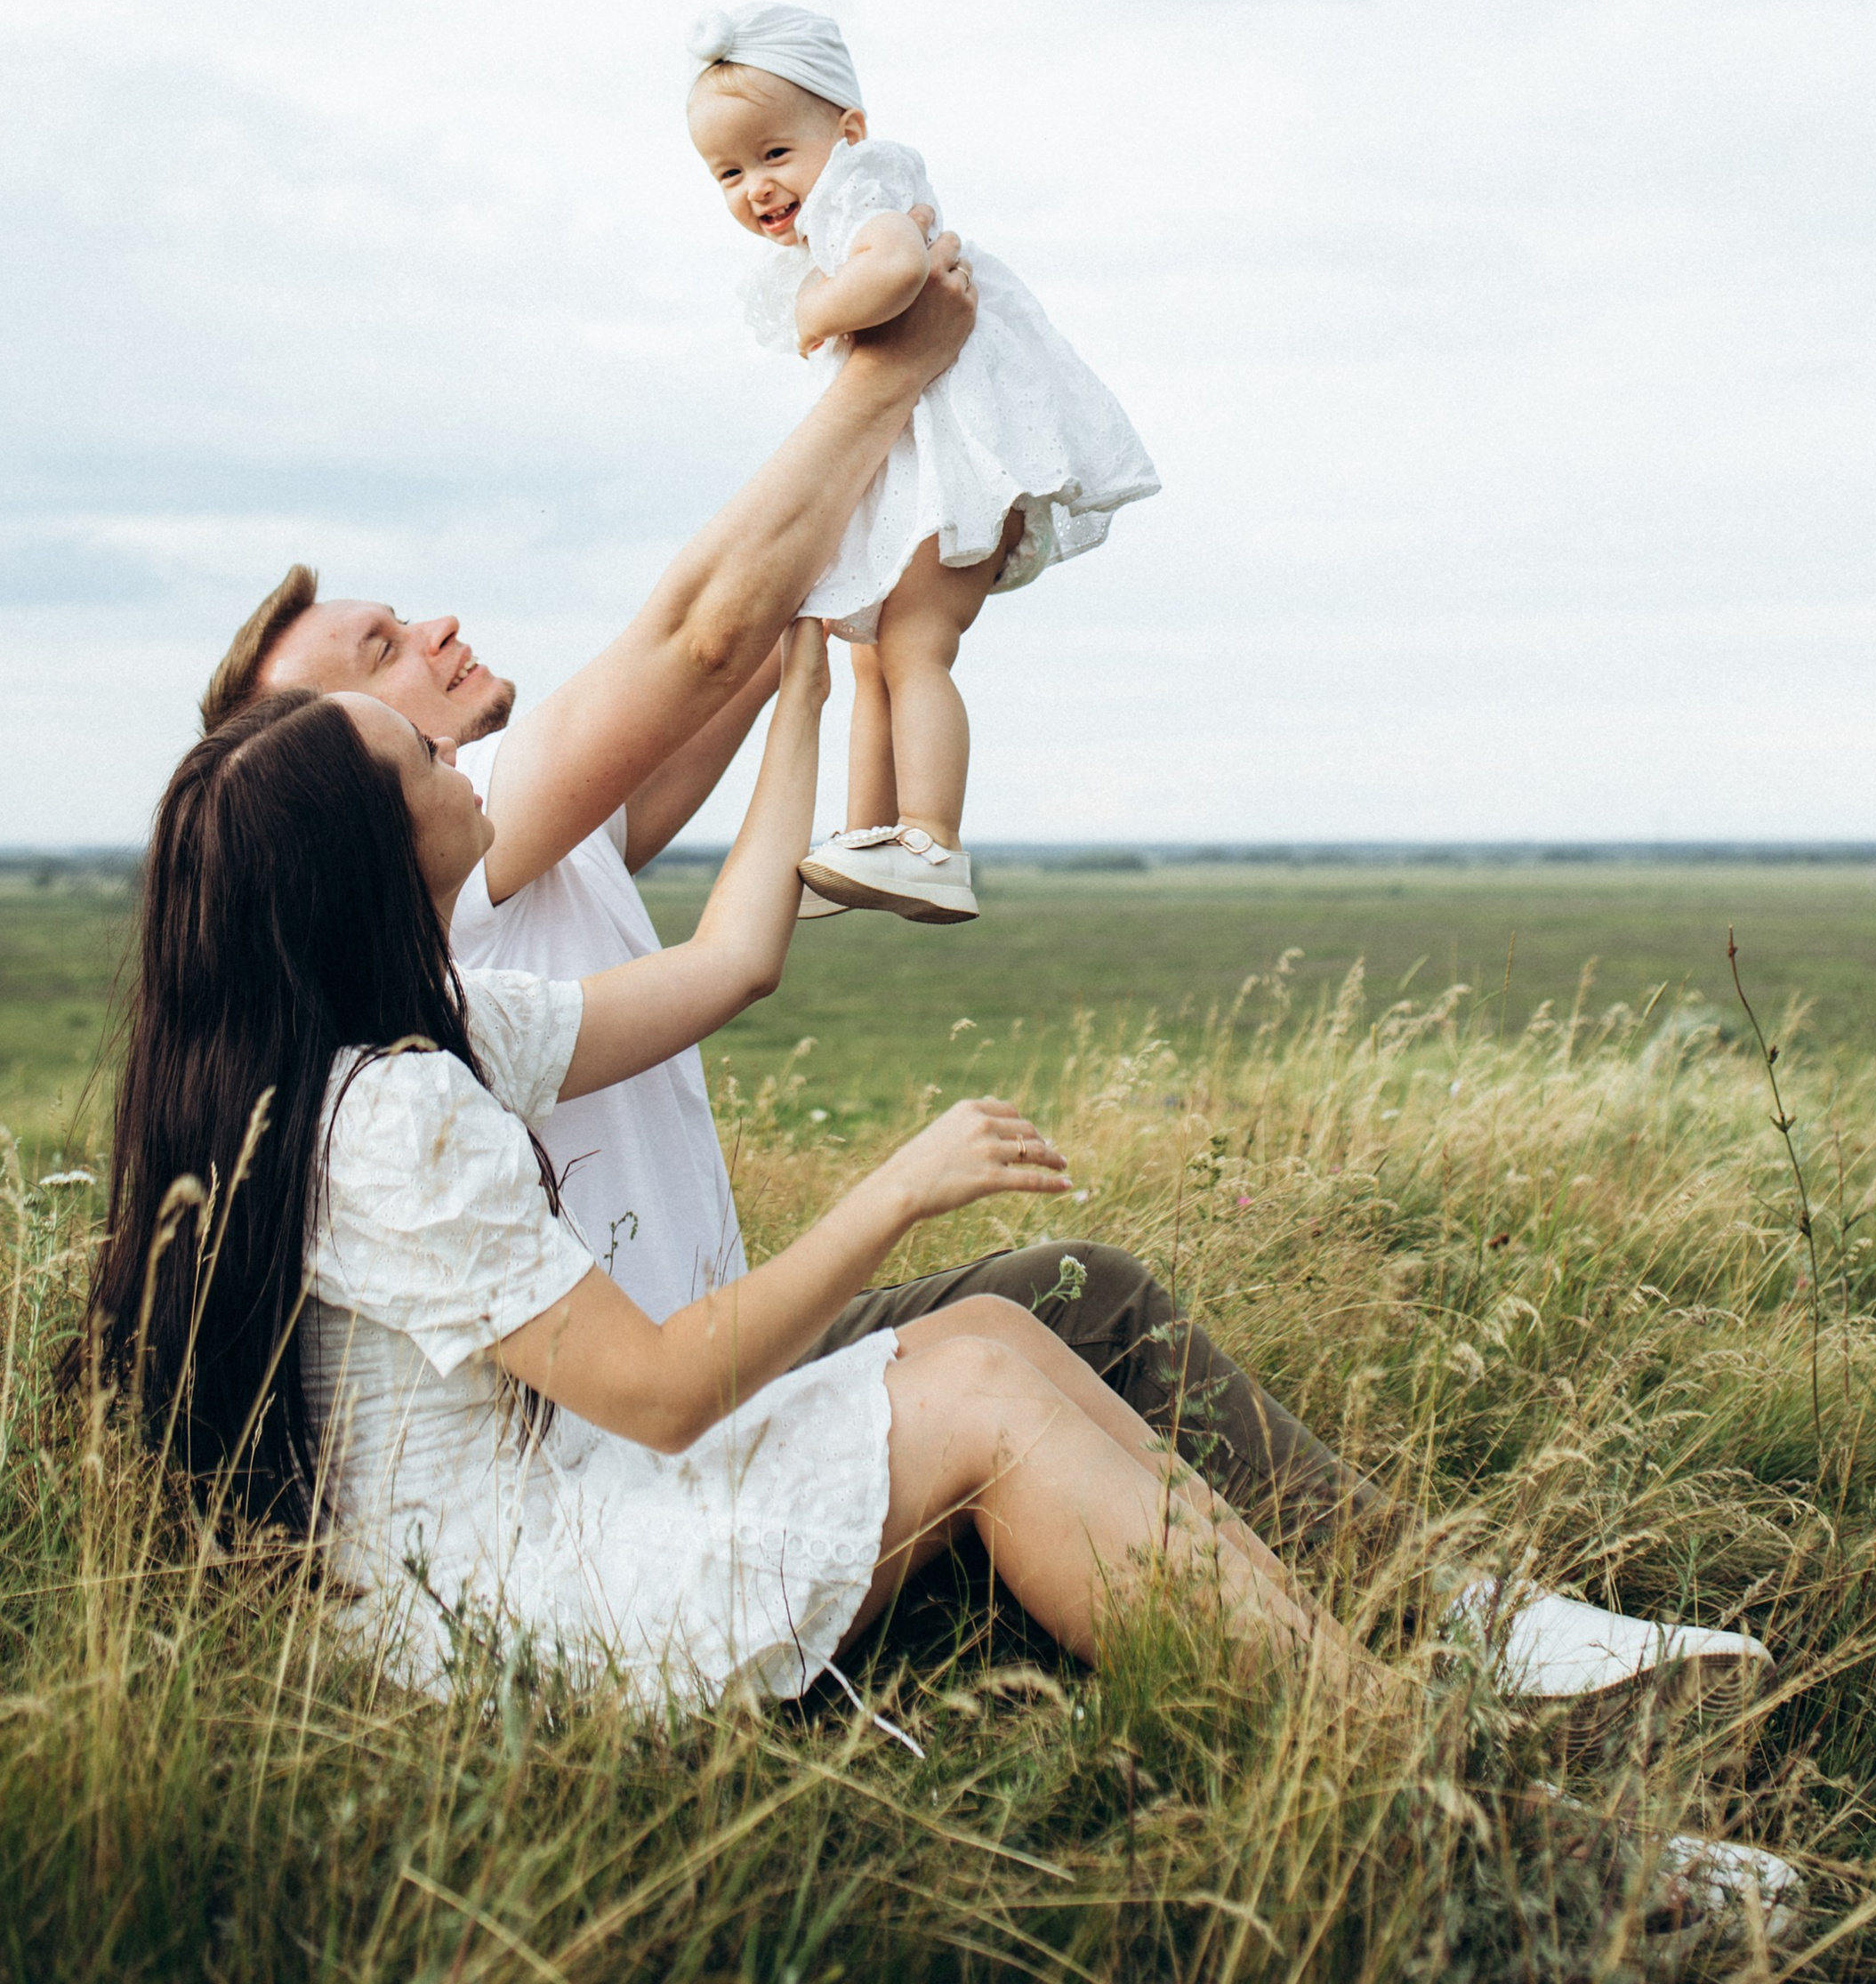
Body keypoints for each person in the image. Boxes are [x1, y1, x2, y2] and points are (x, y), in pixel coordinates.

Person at [91, 625, 1394, 1714]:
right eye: (424, 757)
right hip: (528, 1615)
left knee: (991, 1330)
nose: (455, 755)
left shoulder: (432, 1032)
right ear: (371, 855)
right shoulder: (391, 1119)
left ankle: (1348, 1674)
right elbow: (660, 1394)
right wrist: (892, 1192)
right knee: (985, 1388)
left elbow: (727, 966)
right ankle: (1363, 1734)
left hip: (565, 1523)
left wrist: (801, 701)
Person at [685, 1, 1158, 926]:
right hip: (930, 478)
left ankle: (931, 841)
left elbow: (899, 272)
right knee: (874, 658)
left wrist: (820, 310)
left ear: (846, 131)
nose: (756, 187)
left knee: (914, 647)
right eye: (728, 173)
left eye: (775, 154)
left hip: (965, 477)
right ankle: (870, 838)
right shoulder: (833, 220)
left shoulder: (867, 194)